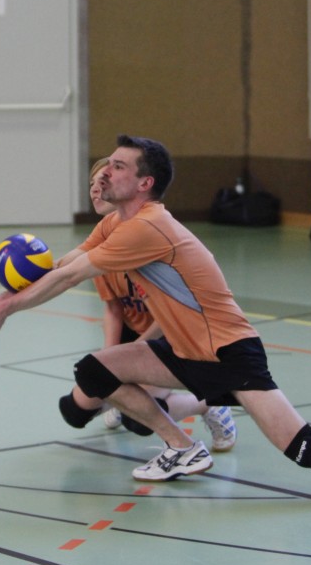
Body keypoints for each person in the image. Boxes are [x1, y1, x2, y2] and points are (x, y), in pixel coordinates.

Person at [0, 134, 311, 483]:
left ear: (145, 183)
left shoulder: (147, 227)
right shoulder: (115, 223)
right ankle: (182, 448)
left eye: (118, 166)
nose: (105, 173)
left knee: (307, 450)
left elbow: (68, 278)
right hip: (183, 350)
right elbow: (63, 265)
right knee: (95, 371)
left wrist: (6, 313)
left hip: (229, 352)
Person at [71, 158, 237, 451]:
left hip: (171, 335)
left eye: (104, 182)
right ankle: (124, 398)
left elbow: (168, 315)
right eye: (91, 184)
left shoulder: (149, 236)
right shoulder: (102, 242)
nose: (96, 190)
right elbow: (113, 309)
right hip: (135, 334)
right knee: (73, 411)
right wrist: (109, 362)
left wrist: (127, 359)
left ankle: (207, 403)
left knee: (139, 421)